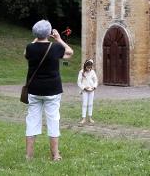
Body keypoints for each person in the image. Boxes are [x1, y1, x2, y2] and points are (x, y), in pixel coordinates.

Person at [24, 20, 74, 161]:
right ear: (49, 33)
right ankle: (55, 155)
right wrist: (59, 39)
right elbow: (70, 52)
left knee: (32, 121)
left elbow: (25, 54)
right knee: (53, 121)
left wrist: (36, 39)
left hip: (34, 90)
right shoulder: (56, 47)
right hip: (52, 90)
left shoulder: (30, 48)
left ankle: (29, 155)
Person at [77, 59, 98, 124]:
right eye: (88, 67)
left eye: (90, 67)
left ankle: (90, 117)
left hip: (91, 90)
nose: (89, 69)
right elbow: (79, 82)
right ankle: (83, 118)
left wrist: (94, 87)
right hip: (85, 90)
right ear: (85, 66)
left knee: (90, 103)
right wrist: (84, 87)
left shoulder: (93, 72)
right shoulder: (81, 72)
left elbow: (96, 80)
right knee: (84, 104)